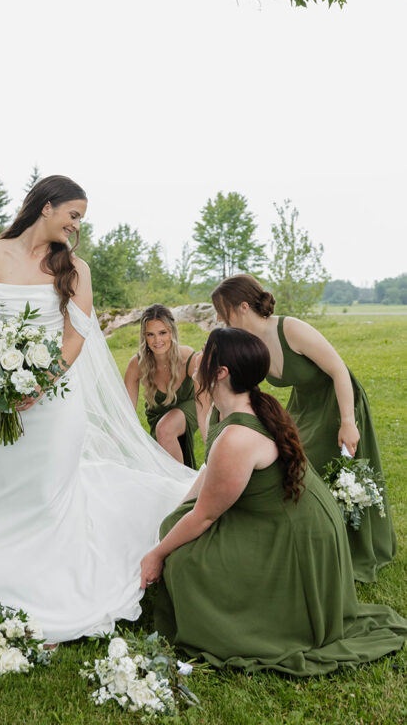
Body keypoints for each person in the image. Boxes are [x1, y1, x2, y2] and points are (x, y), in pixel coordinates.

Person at [0, 175, 197, 642]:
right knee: (8, 481)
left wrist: (39, 382)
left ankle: (49, 581)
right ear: (47, 206)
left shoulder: (75, 269)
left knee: (49, 490)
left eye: (81, 218)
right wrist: (0, 375)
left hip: (56, 399)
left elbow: (75, 337)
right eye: (73, 214)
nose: (77, 225)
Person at [141, 328, 406, 676]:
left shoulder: (239, 435)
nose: (198, 353)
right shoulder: (237, 405)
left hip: (297, 538)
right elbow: (208, 473)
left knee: (187, 561)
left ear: (220, 373)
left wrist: (157, 554)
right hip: (280, 517)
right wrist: (179, 512)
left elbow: (205, 516)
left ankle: (255, 621)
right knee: (175, 526)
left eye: (207, 350)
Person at [210, 274, 396, 582]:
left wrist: (348, 422)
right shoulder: (251, 343)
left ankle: (349, 544)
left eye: (222, 310)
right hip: (304, 406)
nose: (219, 318)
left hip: (338, 402)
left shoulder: (290, 329)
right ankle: (308, 540)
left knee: (332, 472)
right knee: (293, 466)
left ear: (242, 307)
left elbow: (338, 370)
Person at [124, 304, 200, 466]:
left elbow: (206, 398)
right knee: (162, 440)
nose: (157, 340)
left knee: (165, 428)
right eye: (150, 334)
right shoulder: (137, 364)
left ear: (171, 332)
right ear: (144, 337)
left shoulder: (188, 358)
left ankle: (180, 486)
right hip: (157, 415)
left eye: (162, 333)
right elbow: (126, 409)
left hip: (190, 406)